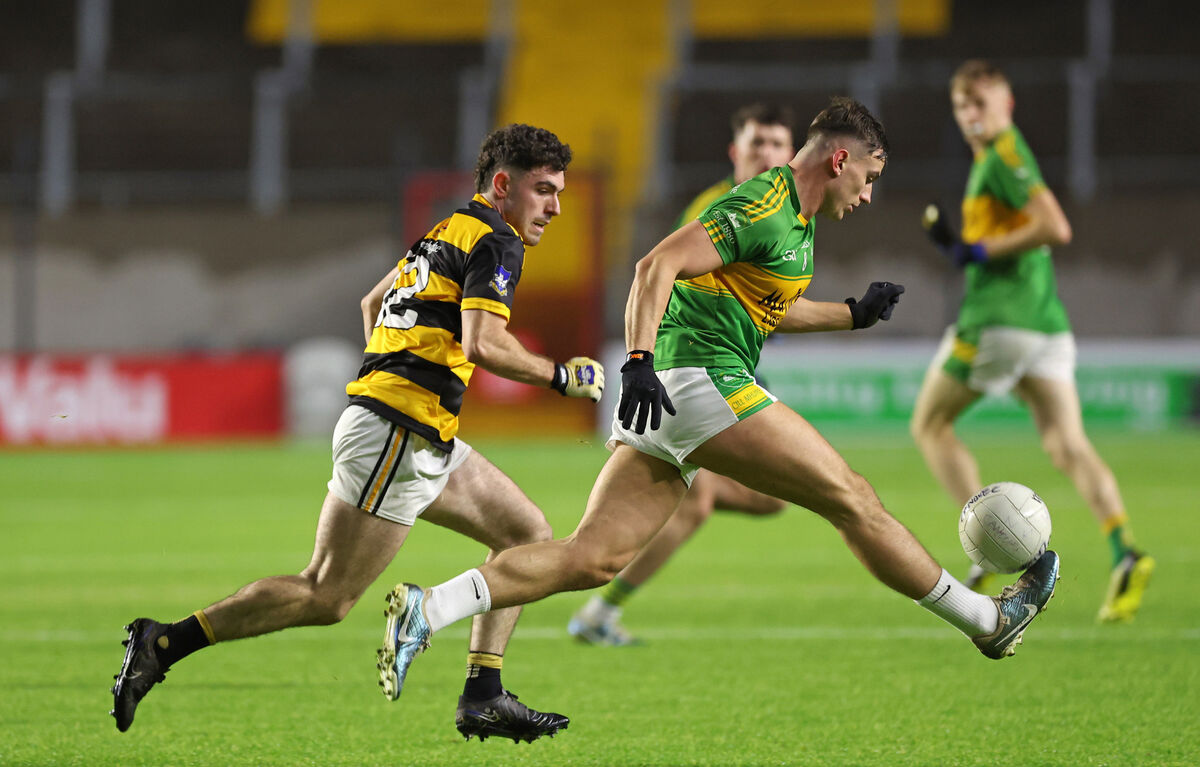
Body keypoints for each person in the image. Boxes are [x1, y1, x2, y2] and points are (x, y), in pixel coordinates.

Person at [376, 97, 1061, 708]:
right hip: (701, 382)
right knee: (852, 498)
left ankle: (427, 610)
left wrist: (852, 314)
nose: (869, 194)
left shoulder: (797, 220)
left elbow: (769, 307)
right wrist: (637, 361)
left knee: (591, 558)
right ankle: (988, 621)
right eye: (870, 176)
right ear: (841, 159)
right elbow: (656, 265)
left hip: (676, 395)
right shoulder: (763, 203)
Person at [109, 124, 605, 744]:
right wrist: (561, 376)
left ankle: (484, 694)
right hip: (397, 432)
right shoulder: (497, 240)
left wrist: (394, 376)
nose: (555, 207)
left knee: (525, 533)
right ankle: (163, 643)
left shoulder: (446, 230)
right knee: (326, 596)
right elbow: (485, 343)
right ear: (503, 185)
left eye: (558, 193)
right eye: (544, 190)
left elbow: (374, 304)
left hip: (412, 430)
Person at [910, 59, 1152, 622]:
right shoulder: (998, 158)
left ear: (1007, 104)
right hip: (1045, 324)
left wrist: (976, 251)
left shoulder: (1004, 156)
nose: (971, 114)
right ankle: (1125, 551)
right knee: (1067, 445)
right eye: (962, 105)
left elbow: (1054, 226)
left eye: (981, 102)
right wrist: (962, 247)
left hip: (999, 322)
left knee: (930, 426)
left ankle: (992, 541)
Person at [568, 103, 794, 645]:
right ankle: (596, 613)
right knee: (692, 506)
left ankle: (600, 605)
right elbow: (659, 277)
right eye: (756, 143)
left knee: (771, 497)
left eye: (776, 144)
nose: (766, 154)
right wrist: (646, 361)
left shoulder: (781, 212)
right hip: (689, 375)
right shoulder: (717, 209)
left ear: (792, 155)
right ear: (735, 152)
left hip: (724, 371)